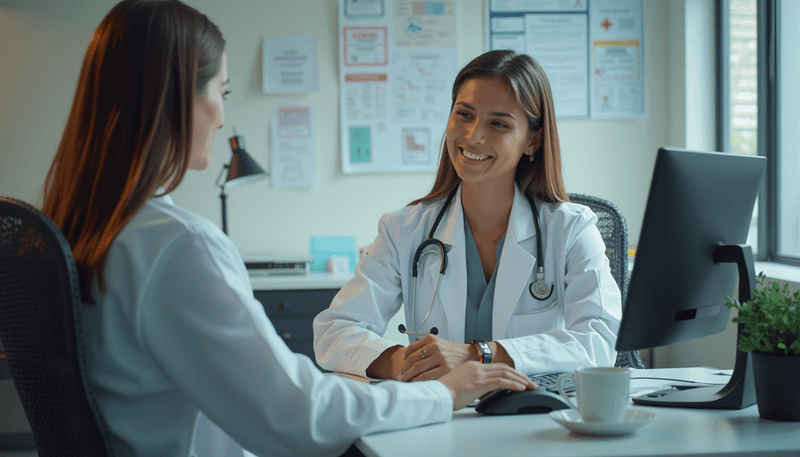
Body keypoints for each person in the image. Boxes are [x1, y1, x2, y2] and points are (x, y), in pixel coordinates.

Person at [40, 2, 536, 456]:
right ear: (174, 100)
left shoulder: (79, 228)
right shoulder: (176, 246)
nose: (221, 117)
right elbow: (298, 416)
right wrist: (441, 393)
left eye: (499, 124)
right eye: (222, 92)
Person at [313, 50, 622, 383]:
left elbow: (600, 340)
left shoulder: (571, 229)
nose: (473, 135)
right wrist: (404, 363)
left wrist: (478, 355)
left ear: (532, 140)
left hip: (535, 417)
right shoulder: (403, 230)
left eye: (498, 123)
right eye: (464, 114)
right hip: (439, 414)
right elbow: (334, 331)